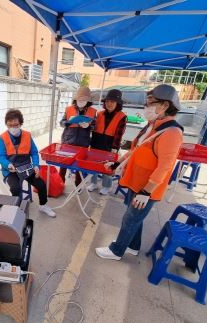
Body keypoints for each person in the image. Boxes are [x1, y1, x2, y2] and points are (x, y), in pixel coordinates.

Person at [95, 84, 184, 260]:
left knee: (130, 219)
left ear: (165, 105)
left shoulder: (172, 132)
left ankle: (116, 251)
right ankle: (133, 246)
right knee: (135, 218)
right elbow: (134, 150)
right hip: (136, 181)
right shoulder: (153, 125)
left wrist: (146, 192)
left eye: (150, 103)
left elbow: (165, 166)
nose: (146, 107)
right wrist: (115, 165)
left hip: (147, 188)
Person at [0, 109, 56, 218]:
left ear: (20, 124)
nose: (13, 128)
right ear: (7, 124)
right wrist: (8, 165)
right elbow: (0, 156)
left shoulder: (27, 136)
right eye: (10, 125)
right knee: (15, 188)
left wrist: (36, 165)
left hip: (27, 168)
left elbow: (34, 152)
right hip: (11, 170)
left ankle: (43, 205)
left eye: (16, 125)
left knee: (41, 184)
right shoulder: (2, 138)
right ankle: (15, 209)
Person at [87, 89, 127, 195]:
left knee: (108, 166)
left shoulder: (122, 116)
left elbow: (119, 134)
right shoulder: (99, 114)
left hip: (110, 144)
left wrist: (114, 149)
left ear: (117, 104)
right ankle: (93, 183)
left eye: (112, 102)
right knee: (94, 164)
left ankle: (106, 186)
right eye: (108, 101)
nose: (109, 104)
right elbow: (93, 127)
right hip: (96, 142)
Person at [59, 86, 97, 189]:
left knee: (80, 165)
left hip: (83, 142)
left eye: (84, 99)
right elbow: (61, 123)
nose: (81, 101)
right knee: (63, 163)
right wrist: (67, 122)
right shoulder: (69, 109)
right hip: (68, 140)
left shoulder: (93, 111)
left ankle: (78, 185)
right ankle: (60, 182)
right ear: (76, 99)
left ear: (88, 100)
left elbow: (95, 126)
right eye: (79, 99)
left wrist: (89, 126)